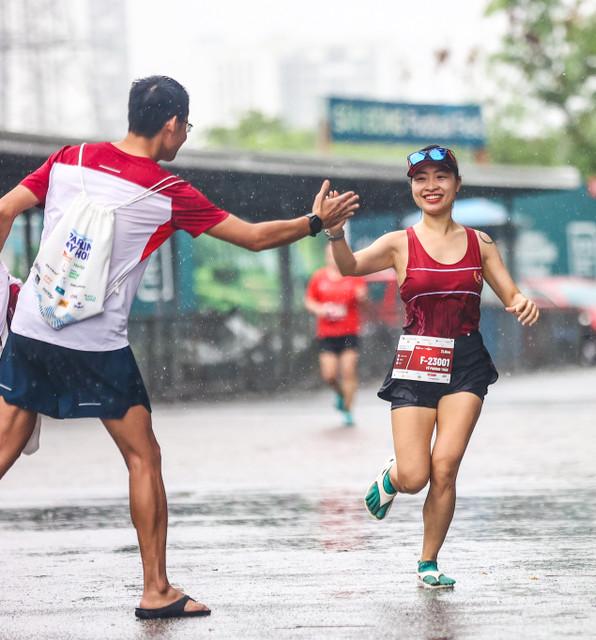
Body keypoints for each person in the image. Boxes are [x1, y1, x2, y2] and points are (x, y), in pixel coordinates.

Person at [0, 75, 359, 619]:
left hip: (32, 327)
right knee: (143, 457)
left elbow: (4, 211)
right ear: (171, 123)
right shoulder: (168, 194)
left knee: (8, 440)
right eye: (186, 126)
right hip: (97, 345)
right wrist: (316, 221)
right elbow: (255, 236)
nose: (185, 136)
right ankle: (156, 590)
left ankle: (159, 588)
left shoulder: (69, 158)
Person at [324, 144, 539, 588]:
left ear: (457, 184)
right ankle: (392, 476)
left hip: (466, 363)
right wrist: (335, 233)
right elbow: (348, 267)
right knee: (416, 475)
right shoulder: (398, 244)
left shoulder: (480, 243)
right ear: (412, 189)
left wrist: (522, 303)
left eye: (441, 176)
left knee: (445, 467)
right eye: (421, 179)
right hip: (417, 362)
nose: (431, 186)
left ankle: (429, 562)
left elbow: (510, 293)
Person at [304, 243, 369, 426]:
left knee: (348, 371)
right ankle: (340, 395)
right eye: (329, 255)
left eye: (336, 254)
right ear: (326, 257)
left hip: (350, 332)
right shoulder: (319, 277)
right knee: (329, 375)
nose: (333, 258)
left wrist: (362, 297)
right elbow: (309, 301)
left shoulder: (354, 275)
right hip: (327, 333)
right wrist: (321, 309)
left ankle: (348, 410)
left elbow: (365, 303)